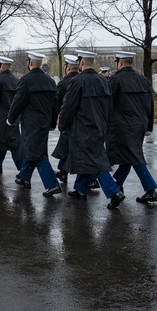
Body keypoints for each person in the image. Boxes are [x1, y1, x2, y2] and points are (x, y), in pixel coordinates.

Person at [58, 50, 126, 209]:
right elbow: (110, 106)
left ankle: (114, 192)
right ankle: (80, 189)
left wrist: (62, 125)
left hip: (83, 128)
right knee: (89, 157)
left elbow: (68, 107)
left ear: (81, 62)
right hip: (100, 126)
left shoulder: (77, 81)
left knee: (95, 161)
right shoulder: (103, 81)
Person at [6, 51, 62, 197]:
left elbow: (17, 102)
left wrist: (10, 119)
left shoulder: (25, 80)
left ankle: (52, 184)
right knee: (34, 150)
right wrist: (52, 122)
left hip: (31, 123)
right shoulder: (50, 81)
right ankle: (24, 177)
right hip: (44, 122)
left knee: (38, 154)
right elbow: (55, 105)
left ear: (30, 63)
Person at [107, 51, 157, 204]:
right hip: (140, 124)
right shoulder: (143, 80)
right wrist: (149, 125)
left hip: (123, 125)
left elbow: (108, 104)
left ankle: (150, 190)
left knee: (134, 157)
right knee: (128, 156)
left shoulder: (115, 80)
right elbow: (150, 104)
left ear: (120, 63)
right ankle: (117, 183)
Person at [51, 54, 80, 183]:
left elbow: (58, 103)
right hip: (83, 120)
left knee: (69, 147)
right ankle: (63, 171)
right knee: (67, 147)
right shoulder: (82, 79)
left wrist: (57, 120)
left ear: (67, 67)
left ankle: (90, 178)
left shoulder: (64, 83)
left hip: (69, 120)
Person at [0, 56, 21, 173]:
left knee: (11, 145)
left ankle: (22, 170)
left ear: (1, 67)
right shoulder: (16, 80)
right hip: (14, 116)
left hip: (1, 117)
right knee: (4, 142)